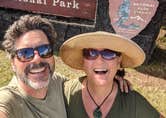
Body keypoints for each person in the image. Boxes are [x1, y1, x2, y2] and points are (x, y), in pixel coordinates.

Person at [0, 15, 129, 118]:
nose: (37, 58)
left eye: (44, 50)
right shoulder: (9, 102)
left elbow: (82, 86)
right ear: (12, 63)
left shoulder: (57, 82)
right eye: (25, 53)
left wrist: (109, 76)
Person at [60, 31, 165, 118]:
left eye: (109, 53)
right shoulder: (65, 93)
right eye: (91, 53)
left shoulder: (133, 103)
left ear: (119, 61)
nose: (99, 60)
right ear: (83, 61)